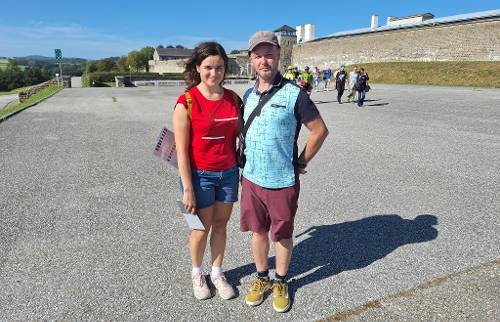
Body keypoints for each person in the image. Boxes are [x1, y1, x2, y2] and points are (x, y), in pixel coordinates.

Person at [241, 31, 329, 313]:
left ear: (279, 55)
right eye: (258, 55)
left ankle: (281, 280)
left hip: (281, 181)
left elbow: (319, 130)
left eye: (269, 54)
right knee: (257, 232)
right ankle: (261, 276)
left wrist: (301, 162)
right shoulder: (247, 95)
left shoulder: (294, 94)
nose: (264, 61)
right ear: (251, 60)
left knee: (281, 234)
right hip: (251, 178)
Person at [173, 42, 241, 301]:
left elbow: (237, 136)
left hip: (228, 173)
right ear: (198, 68)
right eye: (208, 67)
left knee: (221, 225)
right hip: (198, 176)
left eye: (220, 67)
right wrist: (187, 188)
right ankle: (196, 272)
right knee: (199, 229)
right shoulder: (186, 102)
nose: (214, 73)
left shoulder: (233, 99)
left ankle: (217, 272)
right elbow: (180, 151)